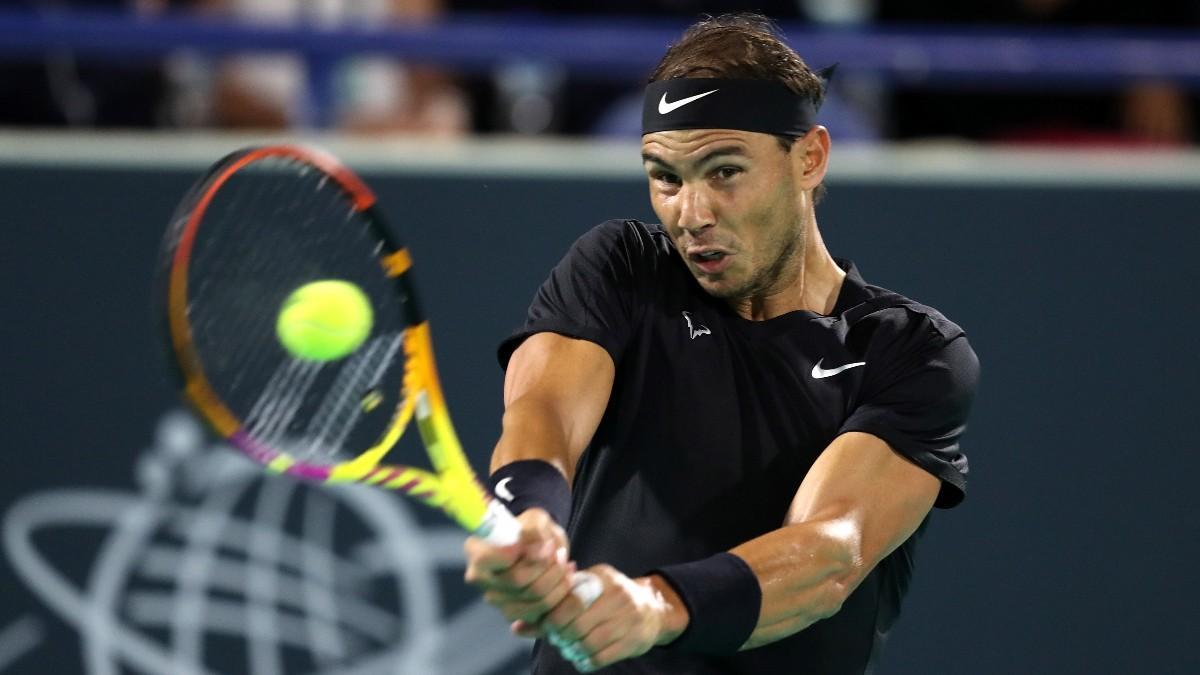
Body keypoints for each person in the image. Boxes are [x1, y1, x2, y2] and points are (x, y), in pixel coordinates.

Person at [464, 13, 979, 674]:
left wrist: (656, 605)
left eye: (725, 171)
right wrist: (530, 514)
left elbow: (829, 552)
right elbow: (544, 414)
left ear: (810, 157)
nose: (691, 212)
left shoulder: (912, 349)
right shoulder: (621, 269)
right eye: (666, 177)